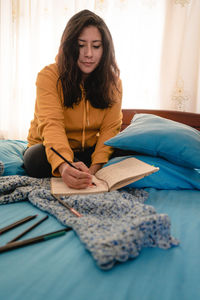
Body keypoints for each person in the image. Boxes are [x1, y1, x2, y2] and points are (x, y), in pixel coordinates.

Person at [24, 9, 122, 190]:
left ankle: (83, 170)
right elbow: (52, 124)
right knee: (34, 158)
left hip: (88, 154)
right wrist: (65, 166)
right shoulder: (48, 76)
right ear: (70, 46)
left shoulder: (113, 83)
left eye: (96, 46)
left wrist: (94, 170)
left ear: (105, 48)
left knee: (127, 148)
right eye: (81, 45)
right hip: (50, 150)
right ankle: (72, 169)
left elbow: (110, 129)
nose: (89, 53)